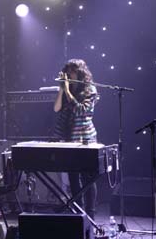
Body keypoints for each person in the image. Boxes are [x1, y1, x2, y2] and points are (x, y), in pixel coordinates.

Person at [53, 59, 99, 219]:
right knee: (73, 179)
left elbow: (81, 110)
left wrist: (67, 90)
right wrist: (62, 89)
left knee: (88, 179)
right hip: (69, 140)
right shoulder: (67, 90)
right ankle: (78, 215)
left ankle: (91, 216)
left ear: (79, 72)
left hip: (85, 139)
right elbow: (56, 108)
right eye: (67, 71)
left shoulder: (89, 89)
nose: (69, 75)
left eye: (72, 71)